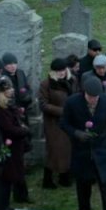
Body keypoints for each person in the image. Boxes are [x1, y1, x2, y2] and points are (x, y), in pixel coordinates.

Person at [60, 75, 106, 210]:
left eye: (96, 97)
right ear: (84, 92)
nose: (93, 100)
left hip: (102, 151)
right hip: (82, 152)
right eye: (90, 97)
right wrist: (76, 133)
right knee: (83, 187)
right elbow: (63, 123)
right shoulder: (72, 103)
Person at [38, 58, 75, 189]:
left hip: (70, 121)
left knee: (69, 150)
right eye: (58, 71)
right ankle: (47, 179)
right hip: (54, 123)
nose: (61, 73)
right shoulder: (46, 84)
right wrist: (62, 111)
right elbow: (43, 104)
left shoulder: (72, 81)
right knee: (54, 151)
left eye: (63, 70)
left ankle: (64, 177)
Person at [0, 78, 31, 207]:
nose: (12, 90)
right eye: (8, 89)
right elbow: (8, 128)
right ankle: (3, 205)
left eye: (11, 87)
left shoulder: (9, 104)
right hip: (9, 144)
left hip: (17, 144)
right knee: (8, 175)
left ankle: (21, 196)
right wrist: (23, 130)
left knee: (19, 170)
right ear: (1, 92)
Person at [0, 52, 33, 116]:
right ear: (4, 65)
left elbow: (27, 88)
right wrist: (17, 108)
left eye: (15, 63)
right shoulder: (2, 77)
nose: (13, 66)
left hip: (24, 107)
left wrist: (27, 99)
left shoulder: (20, 73)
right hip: (10, 111)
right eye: (9, 64)